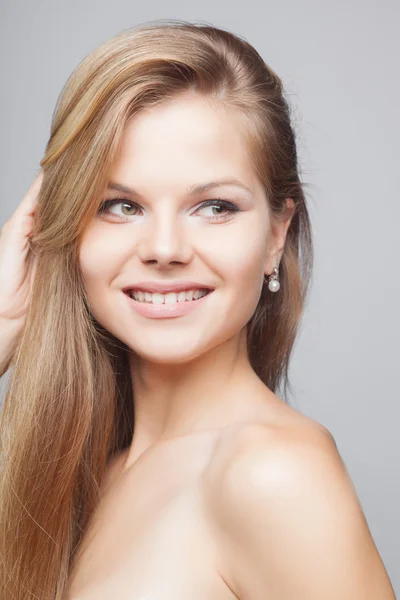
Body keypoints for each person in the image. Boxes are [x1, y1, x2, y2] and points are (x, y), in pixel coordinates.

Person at [0, 19, 395, 600]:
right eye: (120, 206)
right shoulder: (87, 472)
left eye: (213, 206)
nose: (164, 249)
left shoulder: (273, 473)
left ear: (275, 236)